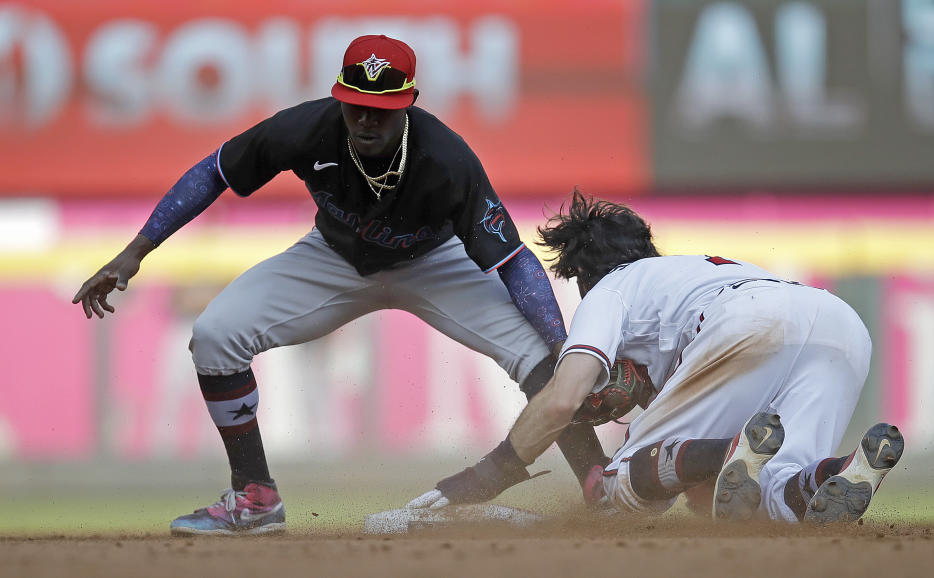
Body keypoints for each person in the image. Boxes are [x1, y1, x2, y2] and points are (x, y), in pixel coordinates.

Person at [72, 35, 607, 535]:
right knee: (214, 335)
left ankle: (599, 484)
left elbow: (513, 261)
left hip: (436, 263)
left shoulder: (447, 158)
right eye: (356, 104)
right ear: (339, 96)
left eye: (383, 109)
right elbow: (215, 170)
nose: (367, 119)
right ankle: (255, 499)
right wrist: (135, 251)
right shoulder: (308, 128)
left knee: (545, 365)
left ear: (409, 103)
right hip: (333, 256)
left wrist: (565, 350)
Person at [408, 190, 904, 524]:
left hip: (745, 323)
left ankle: (728, 450)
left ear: (581, 272)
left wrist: (493, 471)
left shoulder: (612, 289)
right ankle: (840, 471)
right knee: (776, 499)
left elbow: (562, 398)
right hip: (839, 326)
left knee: (617, 496)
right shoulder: (689, 271)